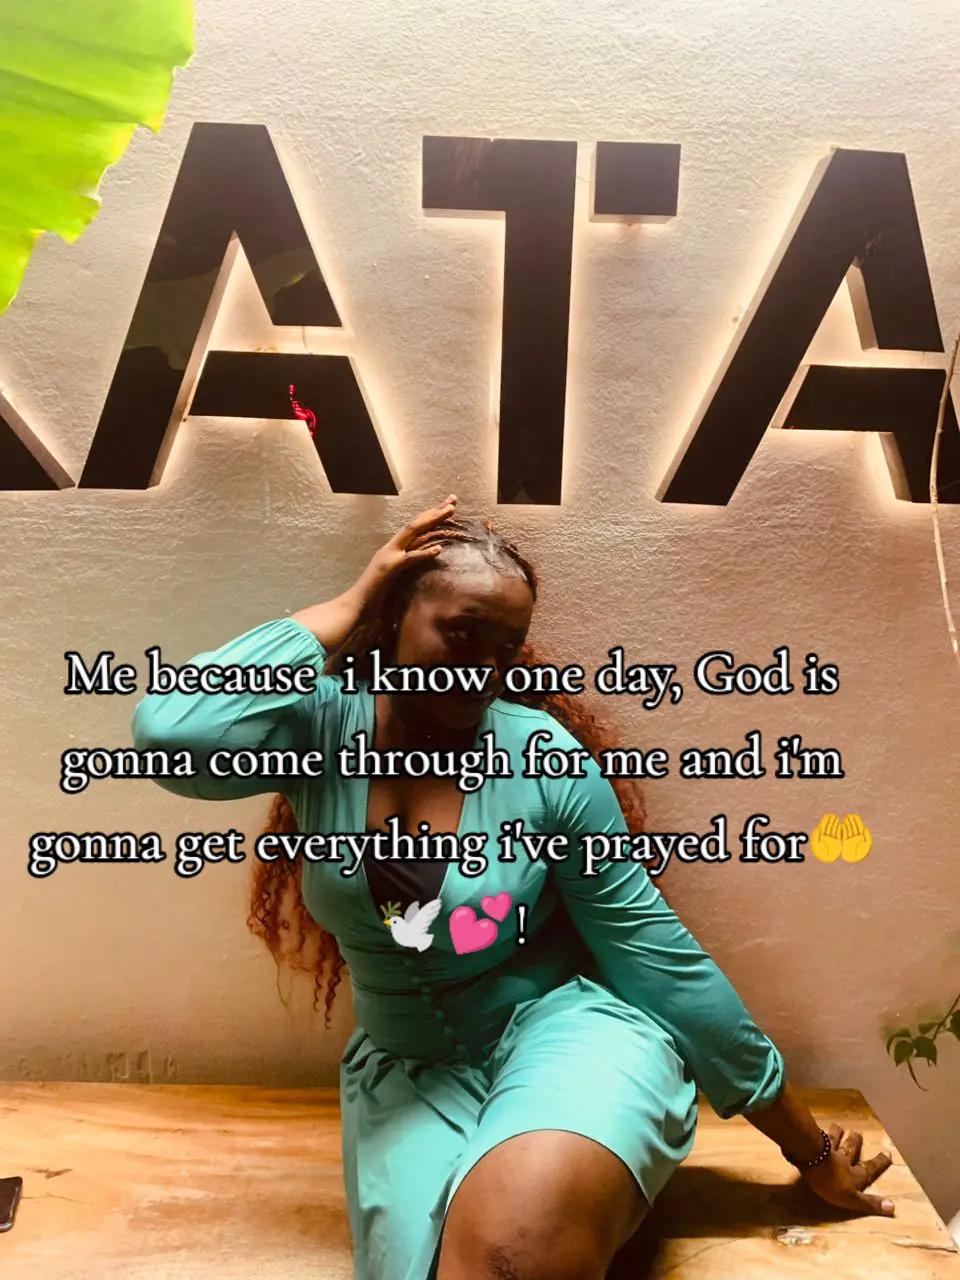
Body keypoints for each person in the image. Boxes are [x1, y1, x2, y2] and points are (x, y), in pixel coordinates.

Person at [131, 494, 895, 1280]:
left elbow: (656, 958)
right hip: (408, 1074)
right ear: (396, 620)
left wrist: (809, 1150)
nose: (484, 668)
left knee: (514, 1250)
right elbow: (172, 733)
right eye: (461, 634)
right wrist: (344, 606)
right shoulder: (320, 732)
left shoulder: (540, 759)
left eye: (506, 646)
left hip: (568, 1038)